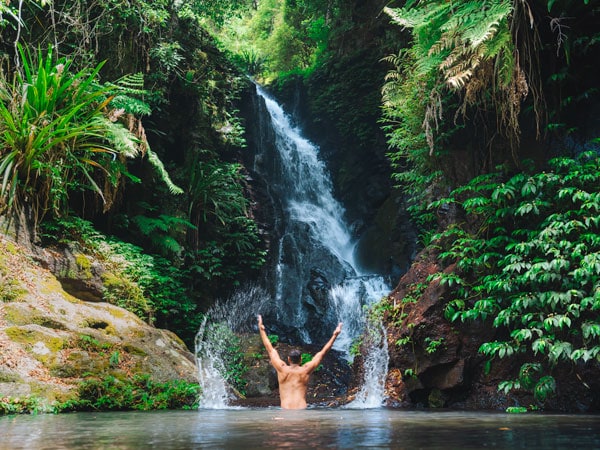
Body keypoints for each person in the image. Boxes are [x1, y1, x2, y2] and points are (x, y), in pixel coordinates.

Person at [257, 314, 343, 409]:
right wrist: (335, 334)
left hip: (286, 409)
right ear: (301, 359)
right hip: (301, 409)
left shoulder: (282, 369)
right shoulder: (305, 371)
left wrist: (261, 329)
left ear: (289, 359)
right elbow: (322, 353)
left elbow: (270, 349)